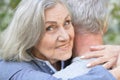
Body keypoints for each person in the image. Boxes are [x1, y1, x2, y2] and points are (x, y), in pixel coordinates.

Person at [0, 0, 118, 80]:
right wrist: (115, 74)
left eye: (67, 22)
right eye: (50, 28)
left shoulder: (63, 56)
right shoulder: (10, 69)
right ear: (29, 34)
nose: (65, 37)